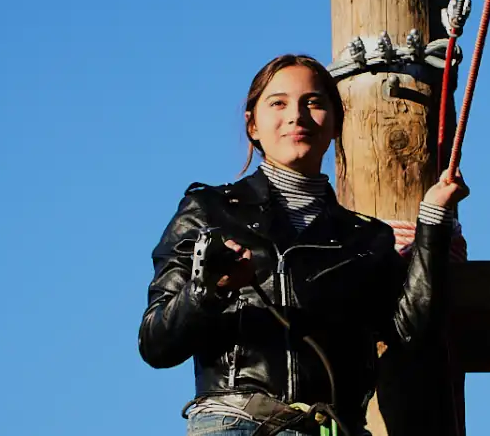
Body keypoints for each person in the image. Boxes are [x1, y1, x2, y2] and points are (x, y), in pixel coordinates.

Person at [139, 53, 467, 436]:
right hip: (238, 425)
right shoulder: (209, 211)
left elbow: (409, 332)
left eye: (313, 102)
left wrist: (433, 219)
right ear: (253, 125)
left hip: (334, 428)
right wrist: (210, 290)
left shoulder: (366, 238)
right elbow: (156, 343)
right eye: (278, 103)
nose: (296, 116)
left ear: (336, 123)